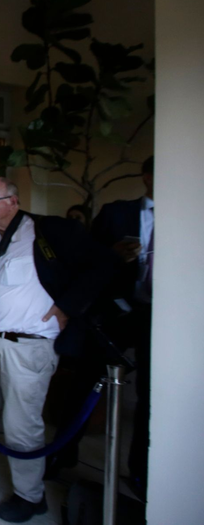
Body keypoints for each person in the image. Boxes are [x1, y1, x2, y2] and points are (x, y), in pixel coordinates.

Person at [0, 177, 113, 523]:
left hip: (27, 346)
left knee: (21, 425)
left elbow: (103, 264)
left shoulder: (49, 231)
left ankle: (30, 496)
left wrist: (67, 307)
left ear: (13, 201)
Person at [90, 155, 154, 499]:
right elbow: (86, 256)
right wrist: (112, 253)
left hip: (161, 317)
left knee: (148, 396)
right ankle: (62, 456)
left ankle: (141, 473)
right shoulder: (117, 213)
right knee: (88, 383)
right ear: (147, 177)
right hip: (116, 313)